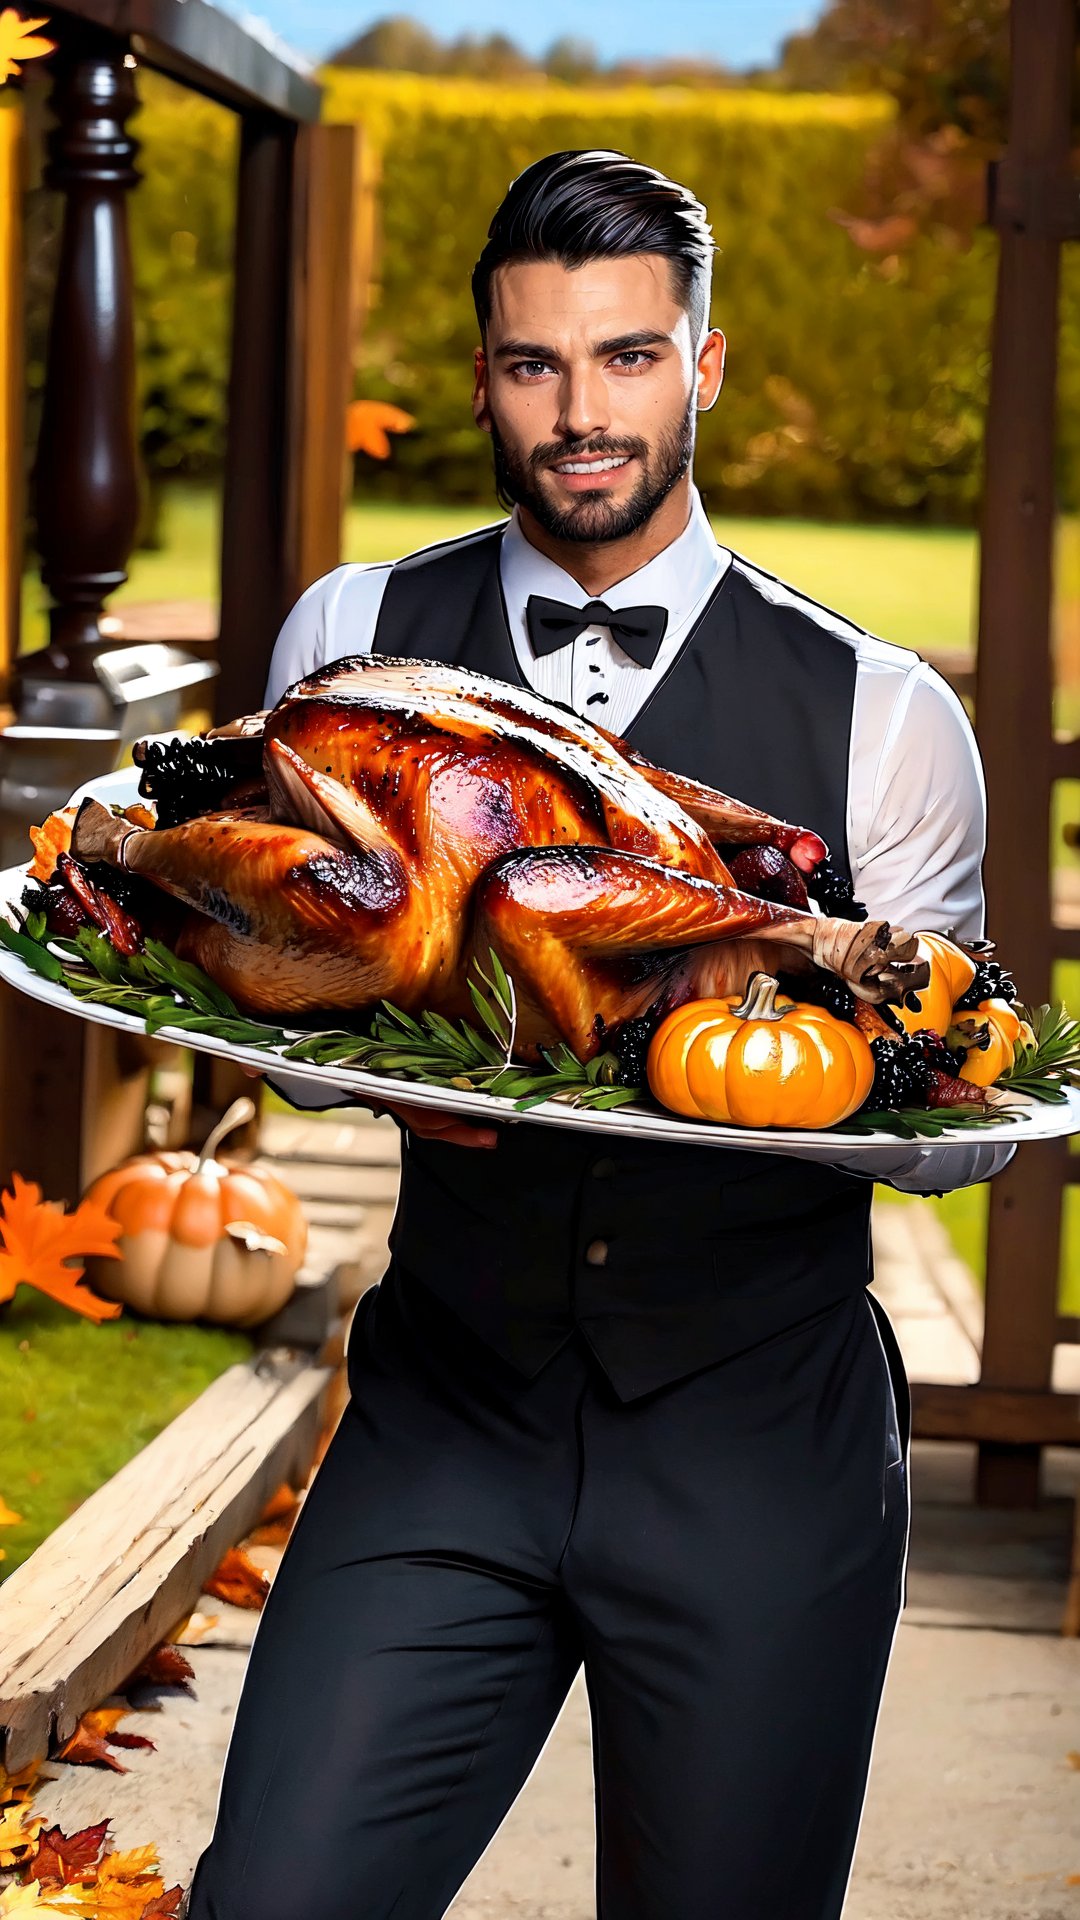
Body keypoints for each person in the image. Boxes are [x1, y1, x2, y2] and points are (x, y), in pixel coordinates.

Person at [185, 150, 1013, 1920]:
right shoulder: (354, 636)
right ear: (485, 375)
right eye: (534, 364)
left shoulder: (880, 715)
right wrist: (382, 1051)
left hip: (752, 1447)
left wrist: (772, 1077)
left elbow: (957, 1115)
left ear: (702, 369)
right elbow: (279, 981)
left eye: (627, 359)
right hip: (445, 1419)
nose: (580, 413)